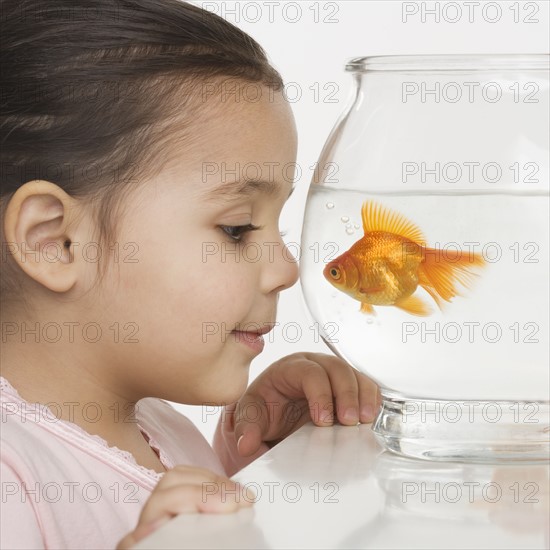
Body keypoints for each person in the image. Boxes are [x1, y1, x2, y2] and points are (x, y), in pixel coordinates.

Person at [0, 1, 380, 548]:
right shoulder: (13, 475)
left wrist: (255, 456)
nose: (287, 269)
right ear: (55, 242)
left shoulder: (158, 424)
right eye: (238, 228)